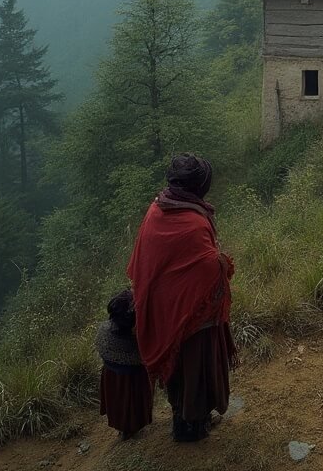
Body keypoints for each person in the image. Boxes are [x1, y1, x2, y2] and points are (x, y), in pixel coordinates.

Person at [126, 153, 237, 443]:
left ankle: (182, 420)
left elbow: (146, 263)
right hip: (192, 315)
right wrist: (222, 264)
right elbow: (207, 268)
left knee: (179, 375)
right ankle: (193, 427)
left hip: (165, 309)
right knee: (196, 372)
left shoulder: (157, 208)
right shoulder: (194, 221)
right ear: (199, 186)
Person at [95, 289, 153, 439]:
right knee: (133, 400)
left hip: (112, 373)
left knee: (118, 400)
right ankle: (134, 426)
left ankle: (124, 429)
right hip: (133, 374)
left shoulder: (104, 333)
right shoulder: (135, 342)